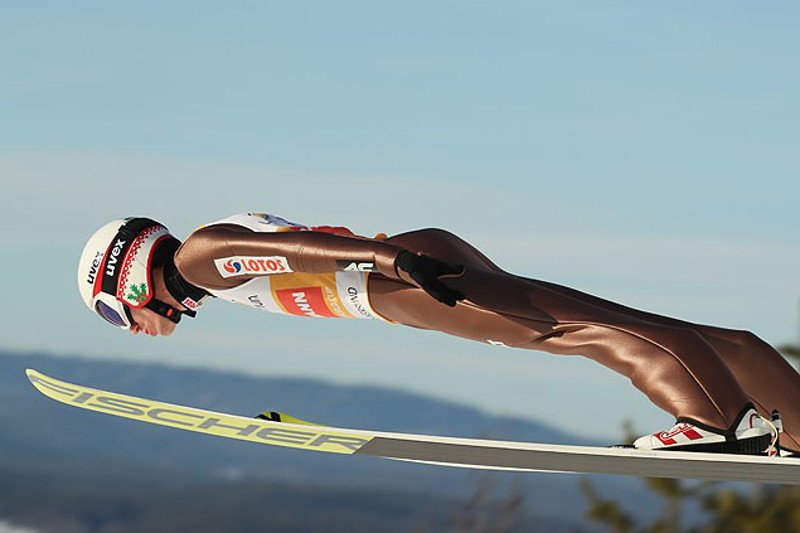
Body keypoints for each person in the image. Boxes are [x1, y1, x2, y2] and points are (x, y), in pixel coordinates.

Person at [78, 213, 800, 456]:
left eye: (116, 312)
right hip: (396, 273)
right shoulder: (209, 266)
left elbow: (300, 249)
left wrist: (395, 260)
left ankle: (711, 421)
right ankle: (789, 417)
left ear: (130, 276)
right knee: (586, 321)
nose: (131, 328)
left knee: (567, 329)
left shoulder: (201, 255)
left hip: (393, 279)